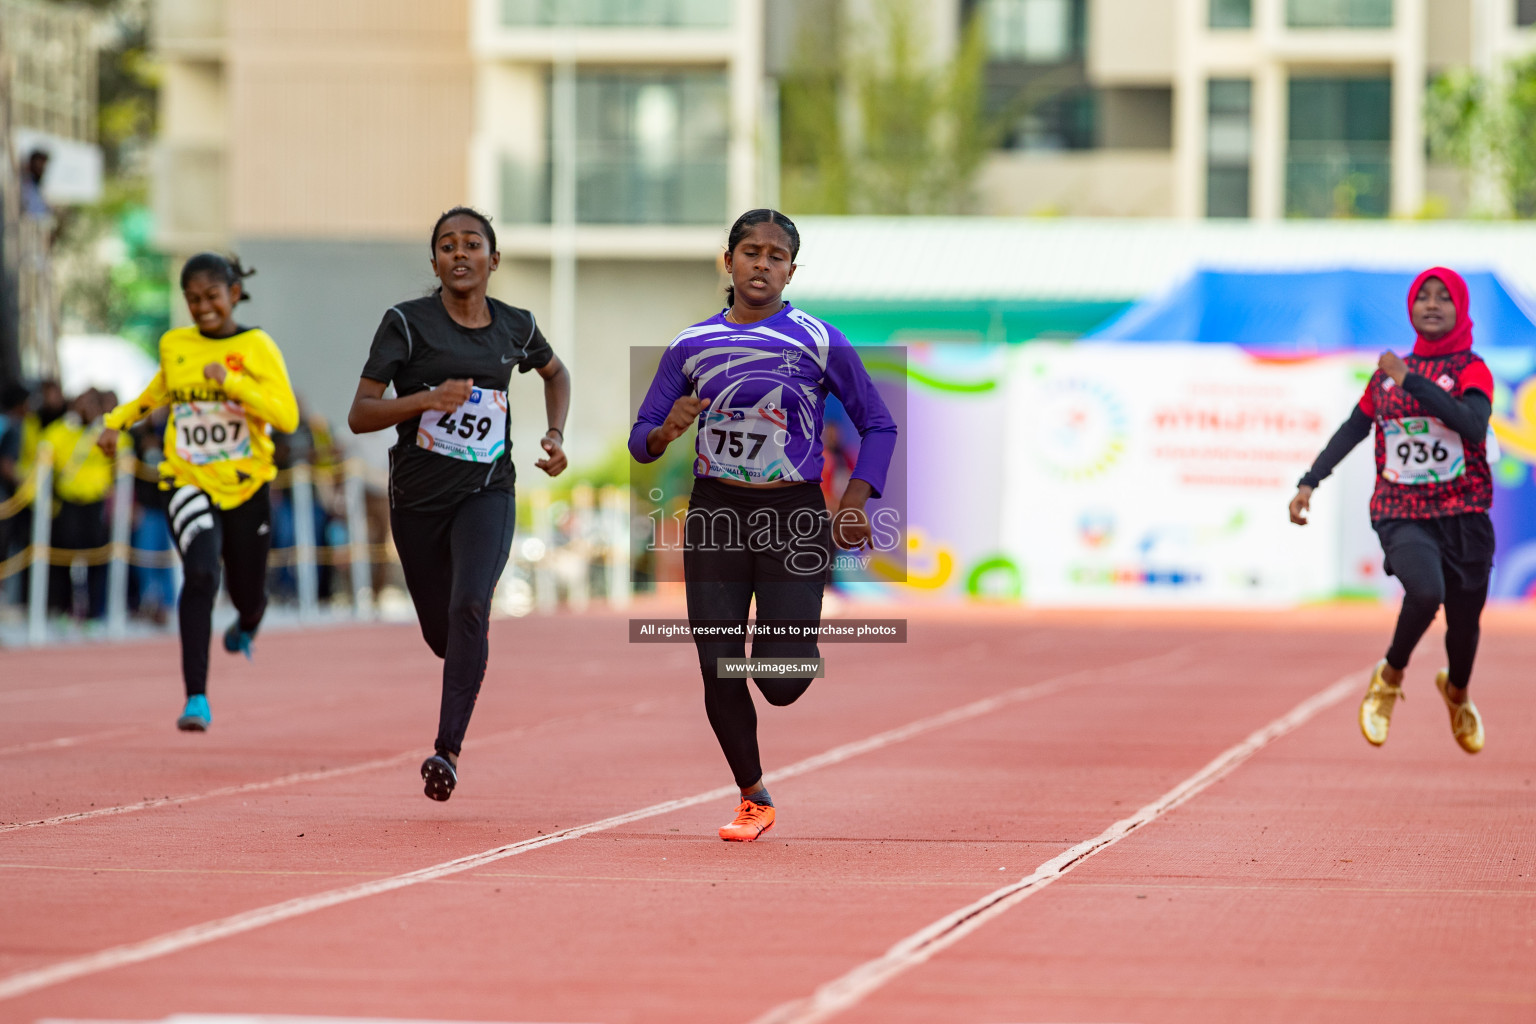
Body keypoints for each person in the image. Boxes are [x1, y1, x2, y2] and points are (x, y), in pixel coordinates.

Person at [629, 209, 898, 841]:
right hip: (717, 513)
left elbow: (880, 423)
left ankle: (796, 642)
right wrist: (669, 429)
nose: (762, 264)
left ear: (791, 271)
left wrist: (856, 500)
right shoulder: (689, 345)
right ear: (729, 261)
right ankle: (752, 794)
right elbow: (642, 439)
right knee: (717, 661)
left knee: (779, 682)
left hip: (794, 516)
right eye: (750, 252)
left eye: (777, 257)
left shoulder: (817, 339)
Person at [347, 206, 570, 802]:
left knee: (472, 607)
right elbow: (361, 413)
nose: (460, 253)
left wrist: (555, 435)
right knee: (444, 636)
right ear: (436, 262)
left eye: (473, 244)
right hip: (418, 499)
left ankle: (446, 750)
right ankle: (455, 666)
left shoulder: (516, 326)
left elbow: (556, 374)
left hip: (487, 489)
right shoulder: (407, 324)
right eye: (448, 245)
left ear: (493, 260)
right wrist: (425, 400)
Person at [1290, 267, 1494, 754]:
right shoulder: (1385, 378)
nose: (1431, 304)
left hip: (1465, 514)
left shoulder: (1472, 369)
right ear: (1410, 307)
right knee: (1425, 593)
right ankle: (1389, 675)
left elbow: (1470, 424)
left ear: (1460, 308)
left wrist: (1413, 381)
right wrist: (1309, 481)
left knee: (1464, 627)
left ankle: (1458, 692)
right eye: (1423, 296)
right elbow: (1352, 430)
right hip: (1401, 509)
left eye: (1444, 297)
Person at [99, 253, 299, 730]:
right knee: (202, 572)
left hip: (246, 484)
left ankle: (249, 620)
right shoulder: (176, 345)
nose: (202, 308)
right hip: (186, 476)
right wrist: (115, 423)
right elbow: (157, 393)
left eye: (211, 297)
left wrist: (230, 382)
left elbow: (285, 416)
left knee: (247, 591)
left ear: (233, 294)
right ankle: (196, 698)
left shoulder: (256, 346)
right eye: (192, 300)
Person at [43, 389, 114, 619]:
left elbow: (123, 453)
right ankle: (64, 608)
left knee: (97, 557)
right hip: (69, 503)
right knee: (64, 557)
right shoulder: (61, 431)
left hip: (95, 504)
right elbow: (46, 450)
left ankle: (94, 612)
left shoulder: (104, 432)